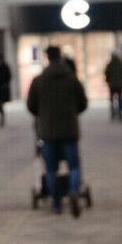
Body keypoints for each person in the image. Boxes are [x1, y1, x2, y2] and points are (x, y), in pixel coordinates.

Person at [27, 45, 88, 217]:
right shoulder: (72, 79)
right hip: (69, 130)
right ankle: (74, 192)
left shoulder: (38, 80)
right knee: (74, 166)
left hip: (47, 132)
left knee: (51, 169)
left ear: (47, 58)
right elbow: (83, 103)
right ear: (60, 57)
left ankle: (56, 203)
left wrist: (43, 114)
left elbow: (31, 106)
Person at [104, 51, 122, 122]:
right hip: (119, 85)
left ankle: (113, 113)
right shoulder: (120, 64)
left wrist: (108, 81)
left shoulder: (109, 64)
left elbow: (106, 74)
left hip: (112, 85)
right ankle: (120, 113)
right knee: (120, 98)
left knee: (112, 99)